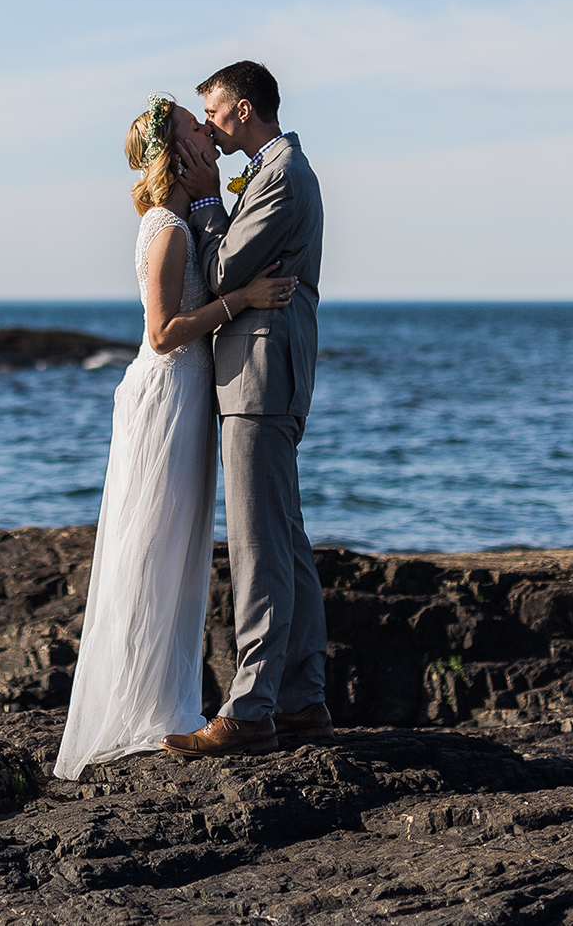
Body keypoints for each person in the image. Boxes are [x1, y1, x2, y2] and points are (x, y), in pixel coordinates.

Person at [52, 94, 294, 781]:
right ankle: (139, 709)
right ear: (176, 152)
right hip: (165, 398)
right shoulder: (169, 231)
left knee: (173, 551)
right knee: (153, 548)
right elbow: (161, 334)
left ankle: (159, 701)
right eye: (196, 126)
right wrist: (242, 302)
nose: (210, 134)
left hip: (187, 400)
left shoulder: (185, 221)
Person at [163, 60, 330, 757]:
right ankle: (301, 699)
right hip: (268, 372)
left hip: (262, 375)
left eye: (213, 111)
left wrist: (205, 205)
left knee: (261, 548)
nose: (207, 124)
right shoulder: (275, 169)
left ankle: (251, 708)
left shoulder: (284, 172)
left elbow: (226, 270)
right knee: (285, 541)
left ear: (242, 108)